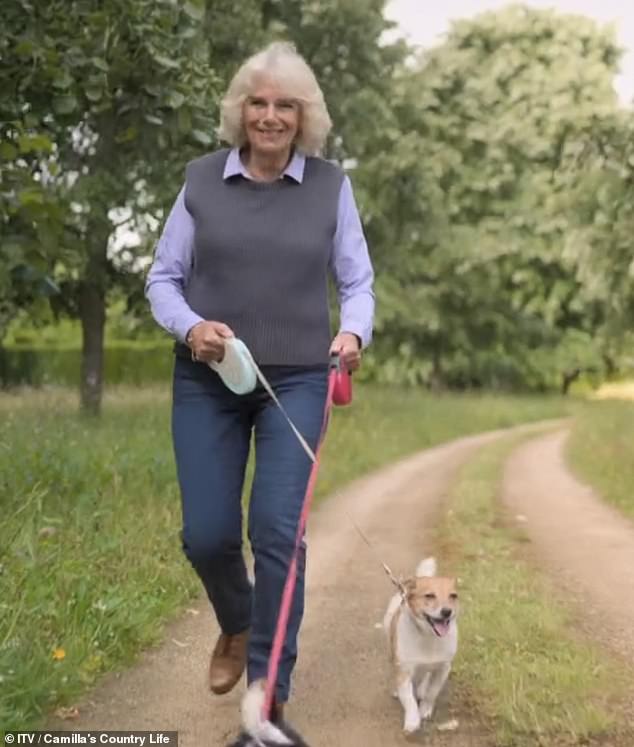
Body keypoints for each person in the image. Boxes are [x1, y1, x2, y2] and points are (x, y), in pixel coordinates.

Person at [145, 40, 374, 725]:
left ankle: (268, 690)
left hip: (300, 379)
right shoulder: (200, 181)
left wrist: (351, 333)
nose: (270, 115)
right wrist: (192, 328)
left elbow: (357, 280)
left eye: (284, 105)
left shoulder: (332, 185)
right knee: (208, 534)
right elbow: (163, 278)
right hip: (208, 378)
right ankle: (239, 619)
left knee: (278, 531)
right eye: (258, 102)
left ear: (304, 118)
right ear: (240, 111)